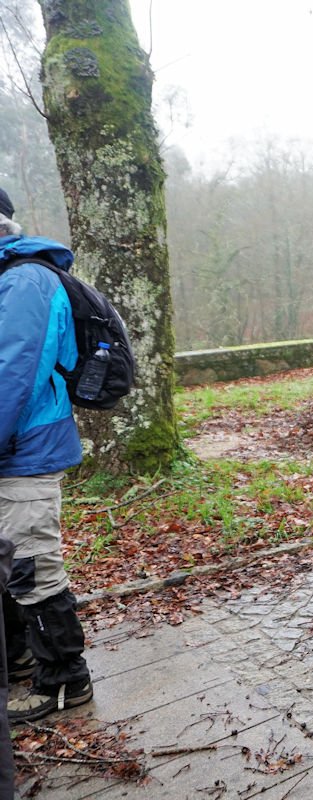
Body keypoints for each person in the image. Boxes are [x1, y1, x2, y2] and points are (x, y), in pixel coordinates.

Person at [0, 189, 94, 724]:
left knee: (32, 565)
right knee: (10, 563)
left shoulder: (26, 281)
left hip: (25, 452)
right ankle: (18, 661)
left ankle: (64, 681)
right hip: (11, 451)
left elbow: (12, 377)